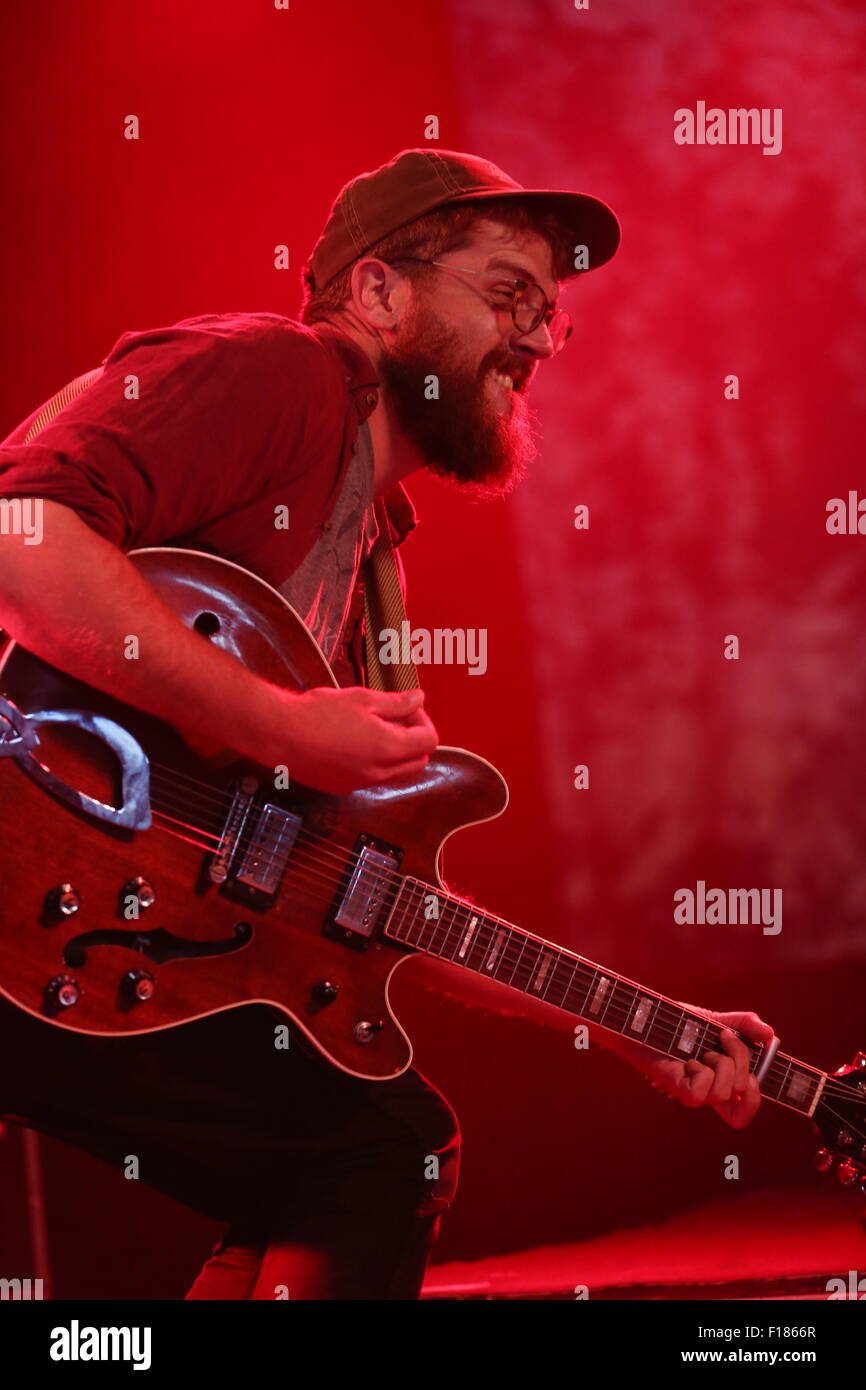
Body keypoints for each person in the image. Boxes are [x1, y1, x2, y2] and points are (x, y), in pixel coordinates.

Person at [0, 148, 776, 1299]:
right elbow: (22, 535)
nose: (534, 339)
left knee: (348, 1147)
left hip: (92, 937)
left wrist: (636, 1026)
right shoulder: (278, 373)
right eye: (507, 293)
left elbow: (356, 885)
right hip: (33, 871)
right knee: (372, 1144)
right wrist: (282, 726)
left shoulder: (371, 549)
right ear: (375, 294)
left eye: (551, 317)